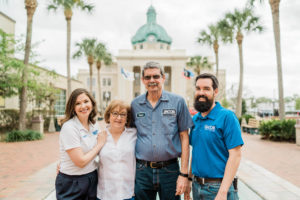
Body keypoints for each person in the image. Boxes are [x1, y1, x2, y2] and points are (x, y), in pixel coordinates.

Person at [131, 61, 194, 200]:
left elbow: (184, 137)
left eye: (155, 76)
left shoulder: (178, 102)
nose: (152, 80)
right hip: (142, 171)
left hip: (170, 170)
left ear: (163, 78)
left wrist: (184, 174)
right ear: (142, 80)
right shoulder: (135, 105)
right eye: (147, 77)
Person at [185, 73, 244, 200]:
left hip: (218, 188)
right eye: (198, 88)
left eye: (206, 89)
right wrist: (189, 180)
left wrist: (223, 192)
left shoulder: (227, 117)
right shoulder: (195, 119)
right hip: (197, 187)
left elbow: (236, 155)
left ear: (215, 91)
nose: (201, 92)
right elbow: (196, 152)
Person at [55, 88, 107, 200]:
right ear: (73, 108)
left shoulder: (94, 124)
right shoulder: (69, 127)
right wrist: (99, 144)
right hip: (72, 183)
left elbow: (97, 154)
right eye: (78, 103)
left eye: (86, 101)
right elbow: (80, 162)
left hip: (92, 177)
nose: (83, 106)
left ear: (92, 103)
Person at [97, 100, 137, 200]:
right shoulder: (100, 135)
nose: (119, 118)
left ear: (127, 118)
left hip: (128, 193)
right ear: (108, 115)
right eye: (115, 113)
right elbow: (87, 154)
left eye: (123, 114)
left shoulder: (134, 134)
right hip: (105, 193)